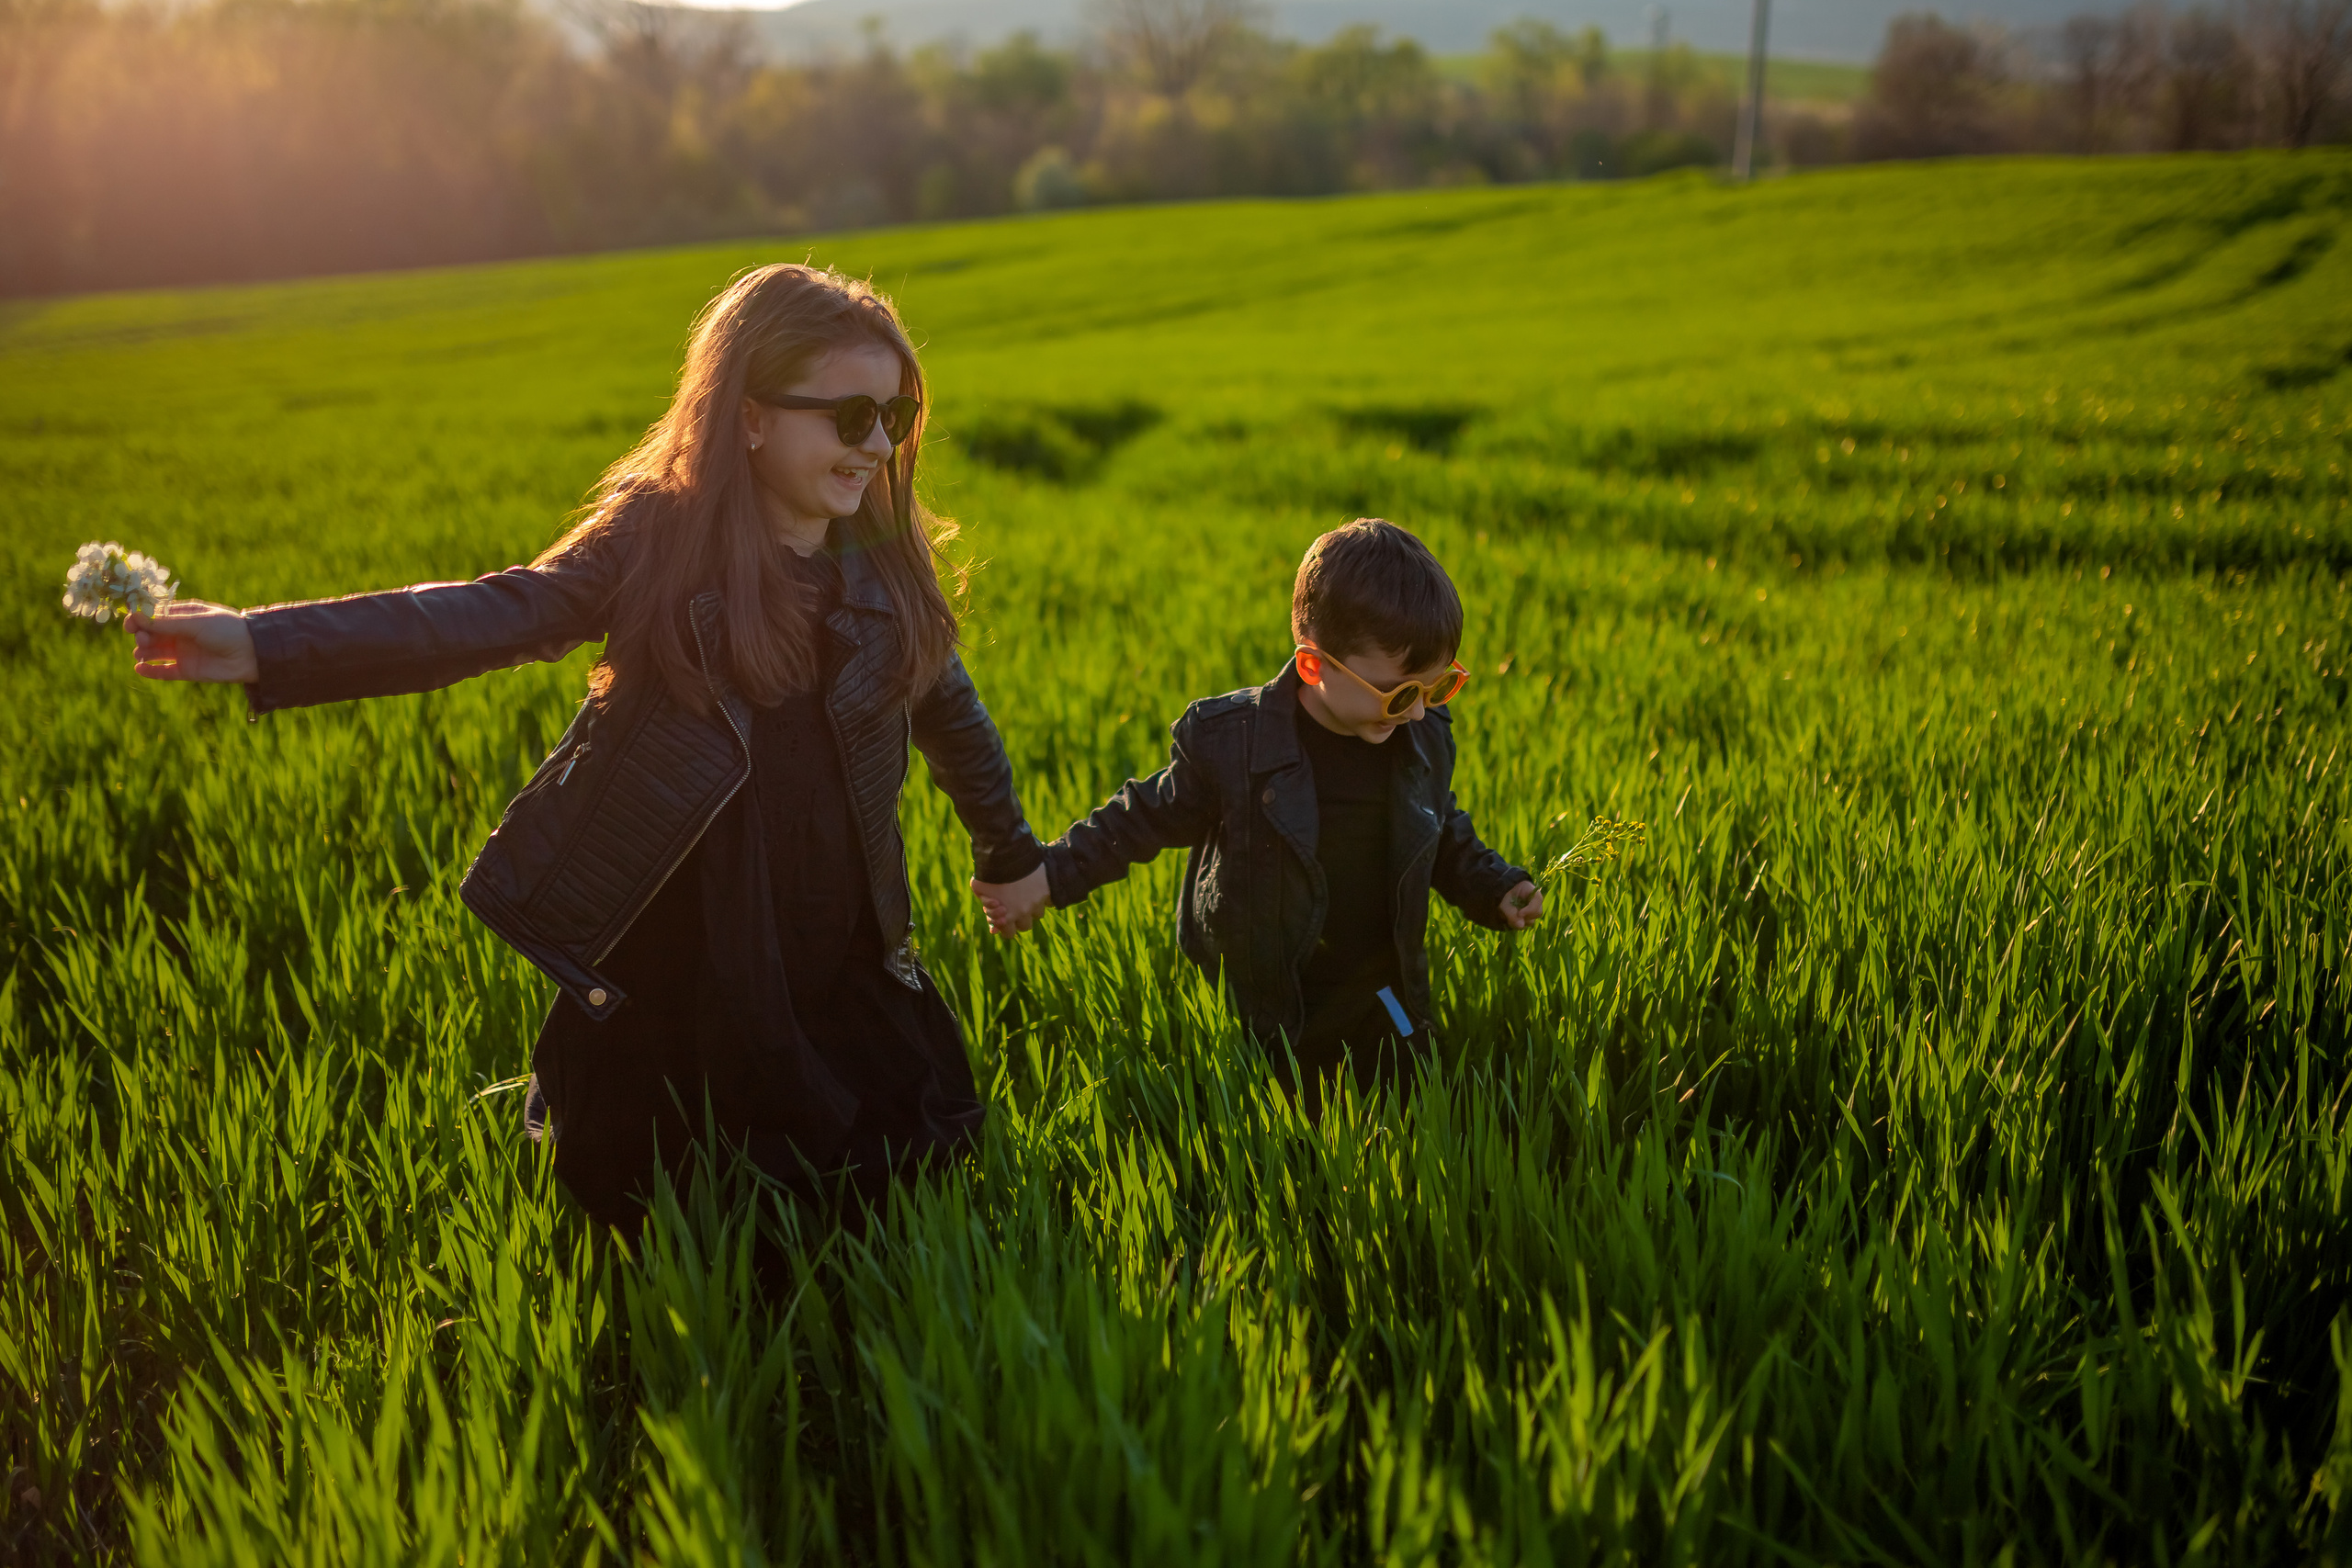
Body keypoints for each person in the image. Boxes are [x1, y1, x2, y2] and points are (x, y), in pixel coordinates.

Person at [129, 263, 1056, 1227]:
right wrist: (267, 644)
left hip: (835, 929)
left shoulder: (881, 561)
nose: (877, 445)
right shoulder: (662, 538)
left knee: (888, 1183)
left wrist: (1007, 853)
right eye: (851, 416)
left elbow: (952, 716)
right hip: (687, 936)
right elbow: (497, 614)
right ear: (749, 417)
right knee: (676, 1199)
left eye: (895, 417)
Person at [978, 518, 1541, 1113]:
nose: (1419, 712)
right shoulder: (1235, 747)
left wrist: (1492, 887)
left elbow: (1440, 826)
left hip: (1381, 988)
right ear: (1314, 667)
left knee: (1421, 1097)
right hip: (1270, 1003)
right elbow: (1138, 819)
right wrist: (1047, 875)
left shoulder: (1418, 736)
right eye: (1399, 694)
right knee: (1278, 1124)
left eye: (1439, 688)